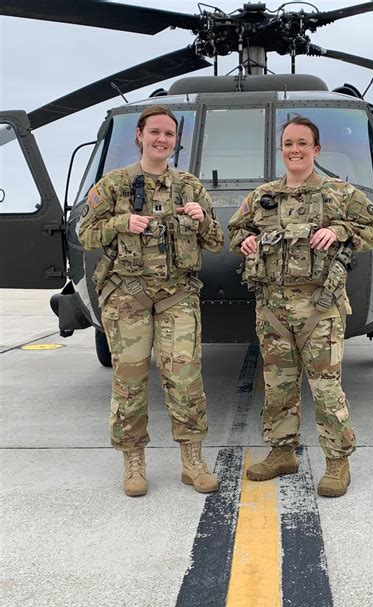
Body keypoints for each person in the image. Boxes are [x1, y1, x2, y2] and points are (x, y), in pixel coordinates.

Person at [228, 115, 373, 497]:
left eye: (302, 143)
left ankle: (337, 463)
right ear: (281, 150)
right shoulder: (264, 195)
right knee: (278, 386)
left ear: (315, 149)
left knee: (326, 389)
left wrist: (341, 230)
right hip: (272, 311)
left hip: (320, 308)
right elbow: (234, 231)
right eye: (288, 144)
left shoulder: (339, 194)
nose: (294, 150)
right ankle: (283, 453)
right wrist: (245, 242)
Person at [79, 105, 224, 497]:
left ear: (176, 142)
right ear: (139, 136)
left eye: (169, 134)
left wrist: (203, 219)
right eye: (155, 132)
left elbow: (216, 243)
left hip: (177, 295)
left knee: (185, 379)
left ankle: (192, 461)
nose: (162, 139)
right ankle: (133, 462)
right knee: (130, 380)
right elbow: (85, 233)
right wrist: (121, 222)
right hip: (128, 295)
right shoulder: (115, 185)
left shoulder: (191, 186)